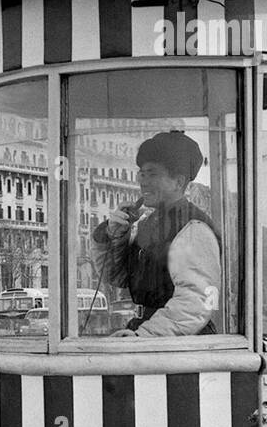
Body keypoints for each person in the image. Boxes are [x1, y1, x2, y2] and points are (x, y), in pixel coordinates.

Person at [92, 130, 221, 338]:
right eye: (141, 173)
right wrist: (113, 236)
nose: (143, 181)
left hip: (182, 345)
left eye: (152, 174)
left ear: (178, 182)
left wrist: (145, 336)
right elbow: (117, 277)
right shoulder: (148, 224)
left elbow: (195, 302)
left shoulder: (193, 228)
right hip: (155, 334)